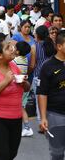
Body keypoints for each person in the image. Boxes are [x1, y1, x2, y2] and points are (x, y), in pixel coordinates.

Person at [37, 32, 65, 160]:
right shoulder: (47, 66)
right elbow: (42, 93)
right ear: (59, 46)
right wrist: (43, 117)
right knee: (57, 153)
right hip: (56, 115)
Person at [12, 41, 33, 137]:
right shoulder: (24, 60)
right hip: (24, 86)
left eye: (15, 48)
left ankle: (27, 128)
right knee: (21, 107)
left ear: (18, 51)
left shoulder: (16, 61)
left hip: (19, 87)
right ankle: (25, 127)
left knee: (20, 108)